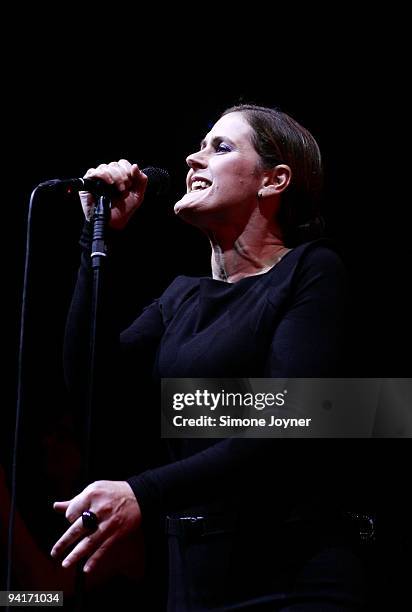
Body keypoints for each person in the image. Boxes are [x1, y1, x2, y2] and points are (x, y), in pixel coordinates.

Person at [50, 104, 367, 610]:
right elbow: (92, 384)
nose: (193, 159)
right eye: (199, 145)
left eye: (219, 147)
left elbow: (289, 421)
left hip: (293, 578)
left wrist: (143, 493)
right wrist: (97, 235)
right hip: (195, 579)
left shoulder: (313, 271)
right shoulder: (181, 297)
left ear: (274, 180)